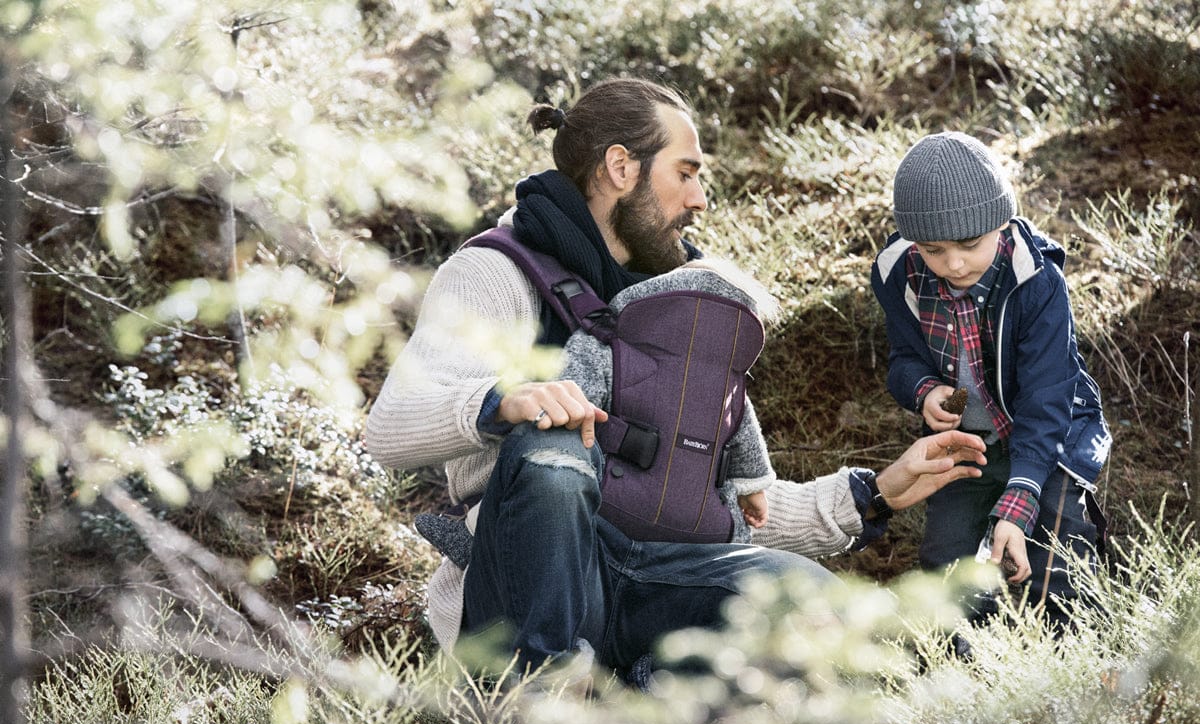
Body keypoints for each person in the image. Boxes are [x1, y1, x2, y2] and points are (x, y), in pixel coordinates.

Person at [365, 77, 987, 688]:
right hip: (522, 594)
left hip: (655, 575)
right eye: (685, 173)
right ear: (620, 168)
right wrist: (503, 402)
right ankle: (546, 717)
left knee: (805, 599)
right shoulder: (494, 273)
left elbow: (730, 506)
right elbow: (389, 429)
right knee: (552, 451)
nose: (699, 200)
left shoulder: (685, 306)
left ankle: (638, 705)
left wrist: (874, 492)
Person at [870, 131, 1111, 630]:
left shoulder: (1037, 281)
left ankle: (1073, 654)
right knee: (946, 565)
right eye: (934, 250)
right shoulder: (899, 274)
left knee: (1055, 554)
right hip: (965, 442)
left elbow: (1048, 400)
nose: (953, 263)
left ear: (1000, 222)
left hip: (1050, 434)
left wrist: (1019, 503)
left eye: (969, 245)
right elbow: (903, 360)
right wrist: (924, 391)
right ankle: (961, 671)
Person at [558, 257, 782, 542]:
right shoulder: (729, 385)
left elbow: (570, 400)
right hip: (708, 529)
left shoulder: (611, 346)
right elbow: (744, 440)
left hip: (611, 506)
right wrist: (754, 491)